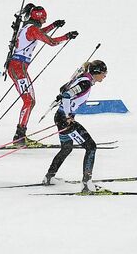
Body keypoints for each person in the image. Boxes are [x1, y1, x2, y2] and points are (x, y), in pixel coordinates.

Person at [5, 5, 77, 146]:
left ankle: (20, 135)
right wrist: (67, 36)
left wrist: (53, 25)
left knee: (29, 101)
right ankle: (19, 137)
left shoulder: (28, 27)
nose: (44, 22)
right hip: (18, 68)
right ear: (40, 18)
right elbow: (50, 41)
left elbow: (40, 33)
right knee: (29, 101)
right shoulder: (32, 29)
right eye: (44, 19)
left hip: (17, 67)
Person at [43, 60, 107, 193]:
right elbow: (66, 95)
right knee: (91, 147)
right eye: (103, 72)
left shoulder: (83, 79)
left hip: (60, 117)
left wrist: (64, 97)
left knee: (66, 148)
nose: (105, 75)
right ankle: (86, 184)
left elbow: (63, 90)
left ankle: (49, 177)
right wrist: (67, 116)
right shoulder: (85, 82)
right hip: (65, 120)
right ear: (96, 72)